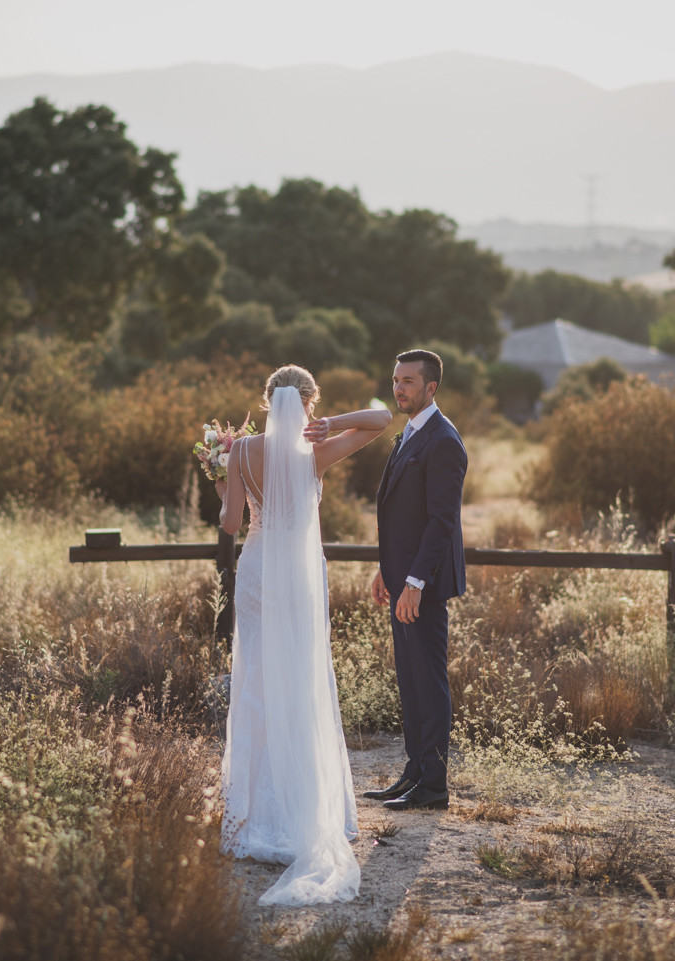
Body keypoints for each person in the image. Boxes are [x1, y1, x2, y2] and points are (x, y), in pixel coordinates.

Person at [215, 364, 391, 906]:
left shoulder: (242, 452)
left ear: (267, 402)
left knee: (256, 677)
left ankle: (253, 812)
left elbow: (229, 523)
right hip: (297, 576)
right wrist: (332, 422)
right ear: (309, 403)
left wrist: (221, 481)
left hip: (257, 572)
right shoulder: (317, 452)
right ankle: (302, 807)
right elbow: (382, 419)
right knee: (299, 678)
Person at [363, 349, 467, 812]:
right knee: (410, 680)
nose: (398, 388)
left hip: (423, 586)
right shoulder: (409, 432)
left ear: (431, 387)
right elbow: (402, 515)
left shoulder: (443, 441)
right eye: (395, 380)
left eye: (408, 381)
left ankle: (434, 786)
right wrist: (386, 569)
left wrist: (415, 583)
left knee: (429, 681)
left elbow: (441, 522)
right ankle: (414, 773)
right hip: (402, 579)